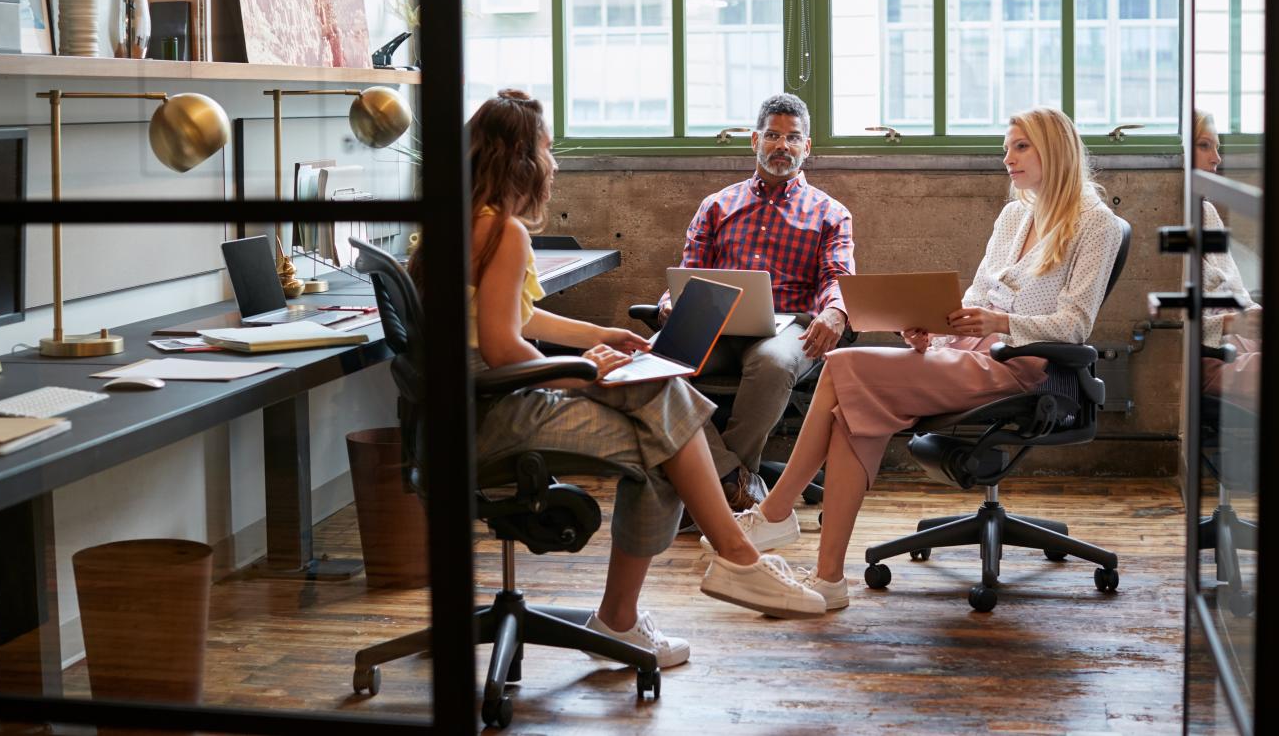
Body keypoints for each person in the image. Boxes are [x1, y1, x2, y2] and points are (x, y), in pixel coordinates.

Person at [440, 89, 825, 668]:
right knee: (662, 438)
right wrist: (586, 369)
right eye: (547, 148)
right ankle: (726, 561)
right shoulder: (505, 234)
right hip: (498, 407)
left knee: (663, 420)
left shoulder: (468, 221)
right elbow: (501, 348)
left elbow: (513, 319)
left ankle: (712, 565)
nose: (554, 161)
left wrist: (601, 337)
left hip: (470, 400)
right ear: (522, 159)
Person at [707, 106, 1123, 611]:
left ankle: (776, 514)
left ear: (1054, 152)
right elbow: (973, 297)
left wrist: (998, 324)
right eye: (1007, 146)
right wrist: (933, 331)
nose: (1006, 157)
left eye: (1020, 147)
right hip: (968, 356)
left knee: (841, 367)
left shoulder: (1094, 224)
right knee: (852, 418)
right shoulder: (1016, 215)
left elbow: (1076, 325)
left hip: (1023, 367)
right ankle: (828, 577)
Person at [657, 93, 854, 518]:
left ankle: (712, 488)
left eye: (793, 138)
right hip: (715, 319)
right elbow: (689, 272)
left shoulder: (830, 212)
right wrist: (671, 302)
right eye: (773, 135)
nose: (782, 145)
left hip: (789, 325)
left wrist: (835, 312)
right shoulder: (716, 206)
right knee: (650, 365)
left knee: (772, 363)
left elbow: (836, 278)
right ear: (754, 140)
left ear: (807, 147)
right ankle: (733, 481)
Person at [1193, 110, 1260, 408]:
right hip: (1208, 355)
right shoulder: (1164, 220)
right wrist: (1232, 323)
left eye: (1217, 147)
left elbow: (1234, 288)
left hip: (1235, 338)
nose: (1217, 158)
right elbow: (1171, 325)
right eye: (1205, 146)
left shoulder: (1205, 210)